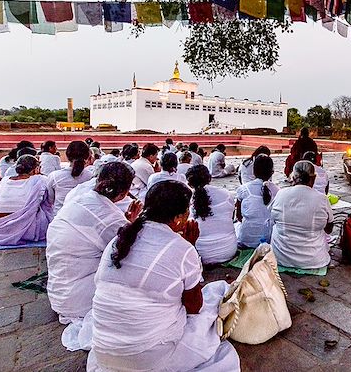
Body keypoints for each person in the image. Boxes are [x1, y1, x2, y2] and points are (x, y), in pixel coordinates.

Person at [88, 181, 239, 372]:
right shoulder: (182, 249)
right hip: (145, 357)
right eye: (187, 211)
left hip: (104, 351)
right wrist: (190, 247)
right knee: (214, 320)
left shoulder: (118, 241)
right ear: (178, 218)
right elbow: (194, 307)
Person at [46, 162, 142, 352]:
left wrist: (126, 223)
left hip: (59, 290)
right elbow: (132, 255)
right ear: (124, 193)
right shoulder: (110, 218)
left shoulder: (80, 197)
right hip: (79, 300)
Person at [270, 160, 333, 270]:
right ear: (313, 178)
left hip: (281, 258)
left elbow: (273, 220)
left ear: (293, 177)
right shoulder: (322, 199)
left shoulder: (281, 194)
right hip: (315, 259)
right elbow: (329, 229)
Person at [0, 155, 52, 245]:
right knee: (47, 204)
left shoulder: (4, 180)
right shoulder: (40, 179)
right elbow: (50, 200)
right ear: (36, 169)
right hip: (28, 231)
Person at [187, 165, 237, 265]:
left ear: (190, 183)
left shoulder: (187, 198)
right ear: (209, 178)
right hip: (228, 250)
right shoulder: (226, 194)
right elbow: (231, 218)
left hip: (200, 254)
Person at [234, 155, 279, 248]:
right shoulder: (278, 191)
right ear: (271, 172)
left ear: (254, 171)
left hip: (247, 241)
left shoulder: (244, 189)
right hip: (269, 239)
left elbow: (238, 217)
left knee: (235, 226)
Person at [47, 141, 95, 215]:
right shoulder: (91, 176)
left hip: (59, 219)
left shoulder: (54, 176)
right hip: (83, 219)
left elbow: (50, 200)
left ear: (67, 156)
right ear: (87, 156)